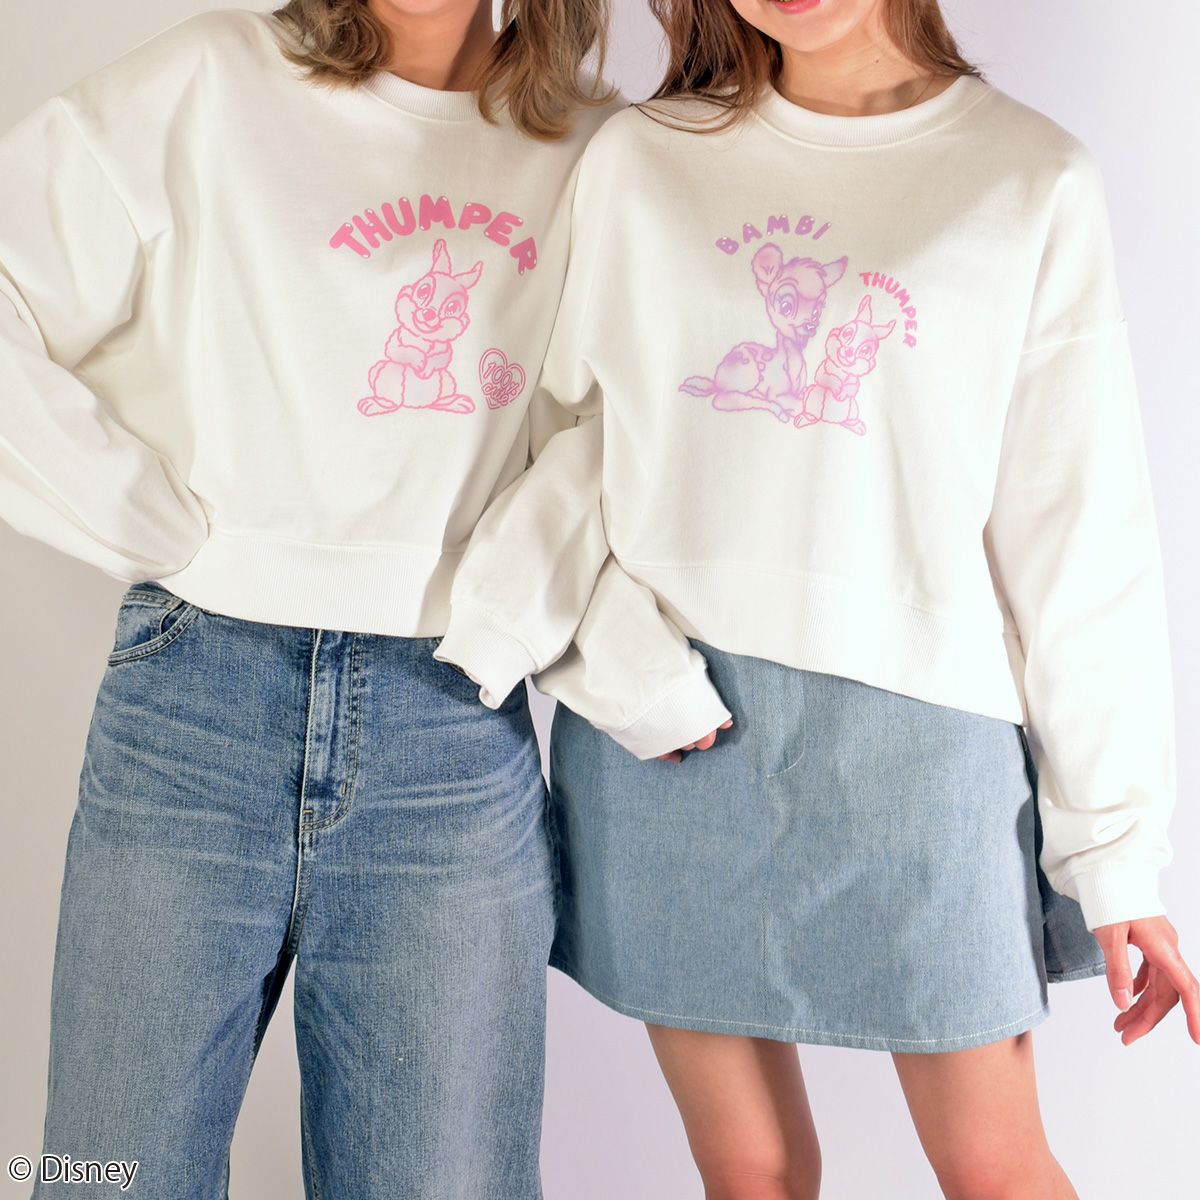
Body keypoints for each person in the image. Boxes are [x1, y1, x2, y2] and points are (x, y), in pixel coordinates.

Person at [436, 1, 1199, 1196]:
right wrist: (629, 673)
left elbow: (1077, 533)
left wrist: (1115, 855)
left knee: (994, 1169)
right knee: (751, 1173)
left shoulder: (1029, 177)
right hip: (671, 740)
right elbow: (564, 461)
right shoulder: (640, 161)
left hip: (921, 751)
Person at [0, 2, 615, 1195]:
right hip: (193, 705)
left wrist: (508, 606)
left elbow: (629, 424)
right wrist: (145, 521)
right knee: (105, 1176)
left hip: (450, 731)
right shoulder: (212, 80)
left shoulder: (595, 149)